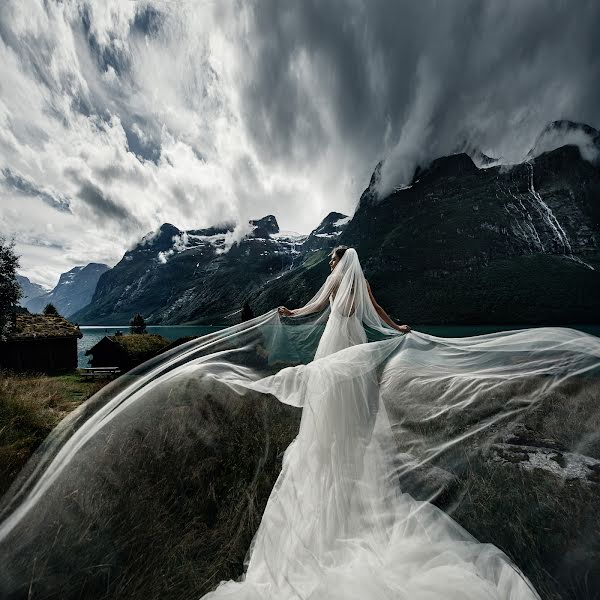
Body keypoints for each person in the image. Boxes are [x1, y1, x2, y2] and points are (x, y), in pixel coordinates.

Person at [1, 247, 599, 599]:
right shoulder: (363, 292)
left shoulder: (340, 275)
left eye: (336, 265)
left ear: (339, 265)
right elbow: (382, 316)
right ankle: (346, 490)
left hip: (337, 358)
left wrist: (288, 312)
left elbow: (316, 308)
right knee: (351, 435)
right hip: (357, 358)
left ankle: (330, 506)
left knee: (323, 432)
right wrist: (405, 332)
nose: (338, 270)